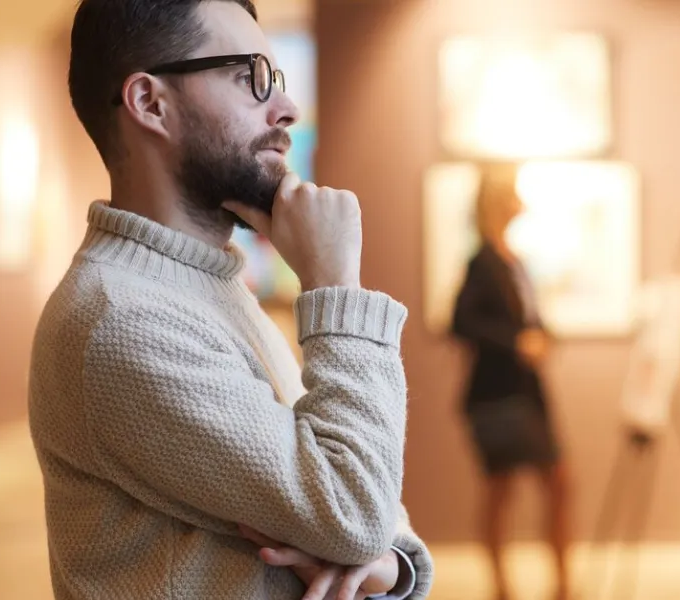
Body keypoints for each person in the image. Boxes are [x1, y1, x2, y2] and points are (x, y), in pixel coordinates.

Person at [27, 1, 432, 598]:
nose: (287, 108)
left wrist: (390, 566)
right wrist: (335, 285)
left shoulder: (204, 287)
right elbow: (355, 509)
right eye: (250, 77)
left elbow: (363, 502)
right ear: (150, 103)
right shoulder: (124, 320)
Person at [451, 163, 571, 600]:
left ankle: (561, 582)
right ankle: (501, 586)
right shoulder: (482, 261)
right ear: (498, 201)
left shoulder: (512, 260)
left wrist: (543, 335)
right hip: (498, 396)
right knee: (502, 489)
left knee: (557, 482)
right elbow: (461, 322)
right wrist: (516, 342)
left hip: (526, 392)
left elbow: (527, 319)